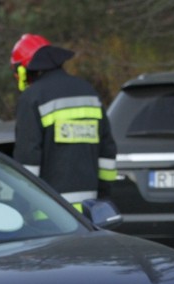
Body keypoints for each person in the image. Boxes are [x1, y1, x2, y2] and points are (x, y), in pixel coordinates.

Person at [10, 33, 117, 208]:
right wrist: (103, 195)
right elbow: (107, 150)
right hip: (90, 209)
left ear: (24, 69)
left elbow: (28, 157)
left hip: (51, 212)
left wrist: (21, 205)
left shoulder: (32, 97)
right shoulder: (88, 91)